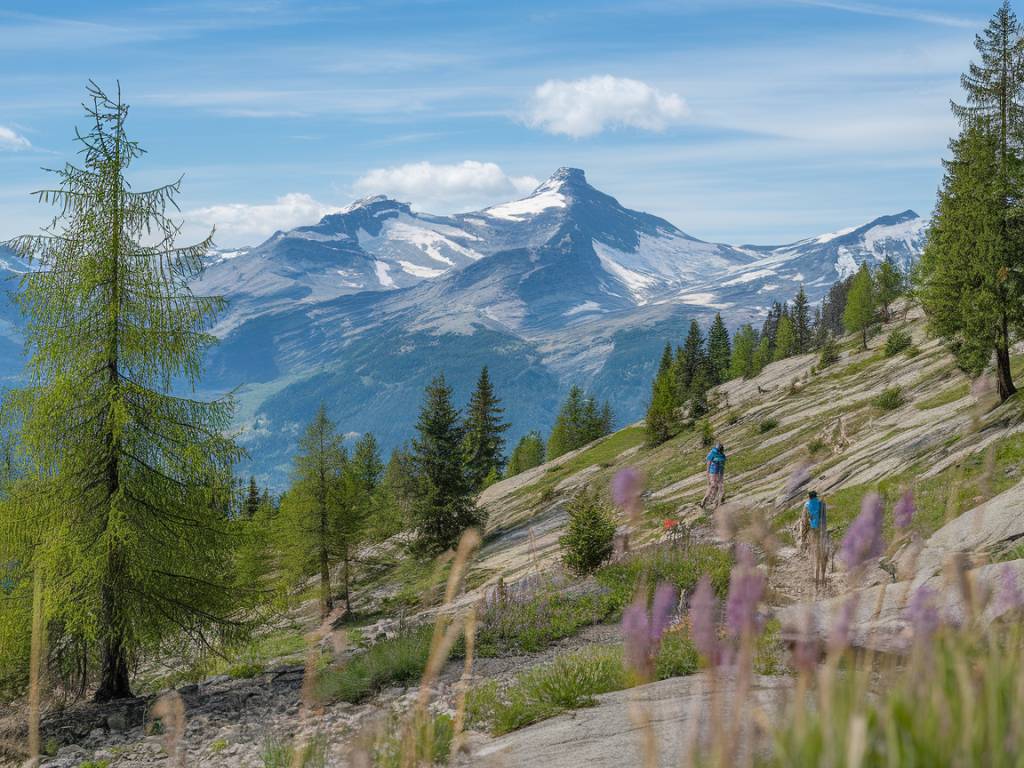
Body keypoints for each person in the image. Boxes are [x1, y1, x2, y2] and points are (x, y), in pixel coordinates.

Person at [801, 490, 829, 587]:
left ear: (809, 497)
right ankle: (824, 573)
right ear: (816, 496)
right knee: (823, 549)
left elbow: (804, 520)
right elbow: (825, 517)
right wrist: (824, 529)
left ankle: (816, 576)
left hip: (813, 530)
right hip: (822, 529)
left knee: (814, 550)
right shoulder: (822, 503)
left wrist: (803, 535)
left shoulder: (806, 505)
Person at [702, 442, 726, 508]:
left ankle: (717, 503)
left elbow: (722, 465)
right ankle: (704, 501)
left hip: (719, 473)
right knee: (713, 486)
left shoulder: (722, 455)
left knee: (720, 487)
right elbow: (708, 465)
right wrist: (708, 476)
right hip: (712, 473)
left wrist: (721, 475)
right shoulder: (712, 454)